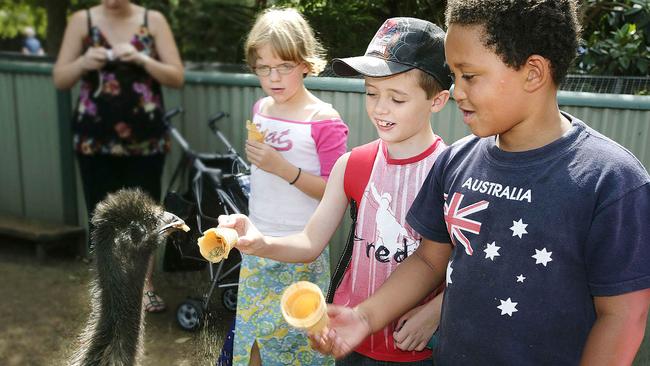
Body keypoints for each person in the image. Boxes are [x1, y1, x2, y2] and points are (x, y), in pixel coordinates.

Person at [309, 1, 650, 365]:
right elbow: (428, 261)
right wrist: (365, 316)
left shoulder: (610, 180)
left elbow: (624, 316)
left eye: (469, 76)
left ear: (533, 73)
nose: (456, 91)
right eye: (454, 76)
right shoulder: (457, 162)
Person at [218, 17, 452, 365]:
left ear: (438, 100)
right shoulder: (352, 165)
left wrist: (438, 307)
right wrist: (260, 242)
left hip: (417, 345)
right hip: (350, 337)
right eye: (371, 93)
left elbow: (469, 263)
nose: (380, 108)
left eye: (397, 98)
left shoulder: (453, 171)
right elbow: (311, 243)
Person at [231, 7, 349, 366]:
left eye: (284, 66)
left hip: (300, 253)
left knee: (296, 350)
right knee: (253, 347)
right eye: (263, 68)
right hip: (256, 245)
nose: (273, 77)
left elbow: (335, 192)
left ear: (305, 63)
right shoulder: (261, 107)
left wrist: (283, 168)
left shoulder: (324, 120)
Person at [52, 0, 184, 313]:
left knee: (145, 215)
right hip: (93, 143)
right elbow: (61, 78)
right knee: (102, 217)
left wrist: (141, 59)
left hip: (146, 143)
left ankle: (144, 286)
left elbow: (176, 76)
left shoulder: (153, 21)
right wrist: (84, 62)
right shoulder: (81, 21)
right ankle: (109, 289)